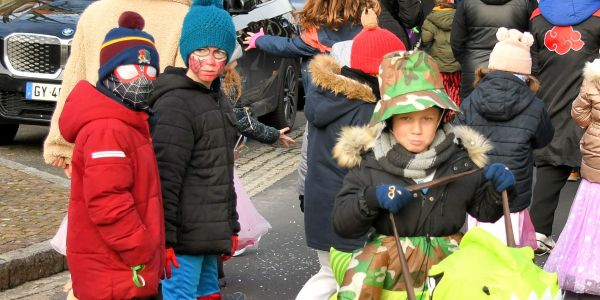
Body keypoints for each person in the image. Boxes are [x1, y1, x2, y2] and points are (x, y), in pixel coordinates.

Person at [330, 50, 515, 298]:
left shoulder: (460, 161)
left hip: (449, 278)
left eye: (427, 118)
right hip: (389, 281)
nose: (417, 129)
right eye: (406, 118)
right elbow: (342, 224)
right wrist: (371, 198)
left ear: (439, 118)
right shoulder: (371, 165)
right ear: (389, 120)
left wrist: (496, 189)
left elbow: (485, 212)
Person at [299, 10, 407, 299]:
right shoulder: (368, 113)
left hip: (321, 204)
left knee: (329, 275)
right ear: (381, 71)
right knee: (349, 279)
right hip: (350, 211)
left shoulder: (330, 99)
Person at [58, 12, 164, 299]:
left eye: (149, 71)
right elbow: (109, 204)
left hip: (122, 270)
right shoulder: (108, 128)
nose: (142, 79)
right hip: (118, 274)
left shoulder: (129, 121)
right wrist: (143, 251)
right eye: (130, 70)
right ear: (109, 74)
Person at [148, 0, 241, 299]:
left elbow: (222, 173)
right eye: (201, 51)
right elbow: (166, 179)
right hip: (183, 242)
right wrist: (166, 241)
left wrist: (231, 226)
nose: (210, 61)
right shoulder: (175, 103)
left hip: (208, 237)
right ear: (188, 50)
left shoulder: (214, 98)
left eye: (219, 53)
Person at [43, 0, 191, 177]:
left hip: (97, 139)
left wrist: (62, 145)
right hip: (154, 143)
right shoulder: (184, 17)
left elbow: (75, 79)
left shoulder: (95, 12)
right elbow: (184, 90)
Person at [454, 28, 553, 247]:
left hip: (478, 190)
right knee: (511, 251)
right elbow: (544, 138)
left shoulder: (471, 100)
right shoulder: (534, 106)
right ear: (526, 72)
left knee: (479, 249)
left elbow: (456, 139)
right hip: (514, 190)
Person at [529, 0, 600, 254]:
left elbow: (532, 66)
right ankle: (589, 242)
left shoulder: (537, 16)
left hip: (551, 101)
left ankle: (538, 231)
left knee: (551, 164)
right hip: (591, 106)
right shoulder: (597, 16)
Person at [544, 54, 600, 296]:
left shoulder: (593, 79)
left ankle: (585, 265)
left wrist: (593, 126)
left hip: (595, 154)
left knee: (589, 214)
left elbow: (578, 114)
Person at [451, 0, 537, 100]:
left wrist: (467, 62)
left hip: (474, 71)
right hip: (514, 73)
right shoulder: (527, 2)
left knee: (470, 112)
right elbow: (534, 40)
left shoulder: (466, 2)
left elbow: (456, 42)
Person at [421, 0, 461, 116]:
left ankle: (444, 114)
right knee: (456, 89)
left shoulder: (430, 20)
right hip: (456, 64)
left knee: (443, 90)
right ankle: (455, 111)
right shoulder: (459, 18)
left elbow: (426, 40)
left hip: (439, 66)